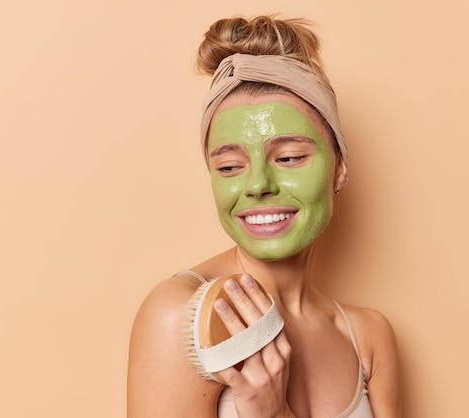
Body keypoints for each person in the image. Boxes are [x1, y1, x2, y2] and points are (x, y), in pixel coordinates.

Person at [127, 15, 400, 418]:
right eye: (229, 167)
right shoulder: (183, 316)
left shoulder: (369, 336)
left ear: (340, 167)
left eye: (289, 157)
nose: (257, 185)